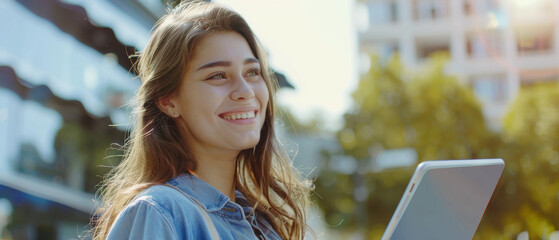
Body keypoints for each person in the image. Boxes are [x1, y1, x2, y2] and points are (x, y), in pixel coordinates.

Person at [90, 1, 312, 239]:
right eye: (217, 75)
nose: (246, 91)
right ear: (168, 100)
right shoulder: (161, 212)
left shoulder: (263, 224)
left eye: (252, 72)